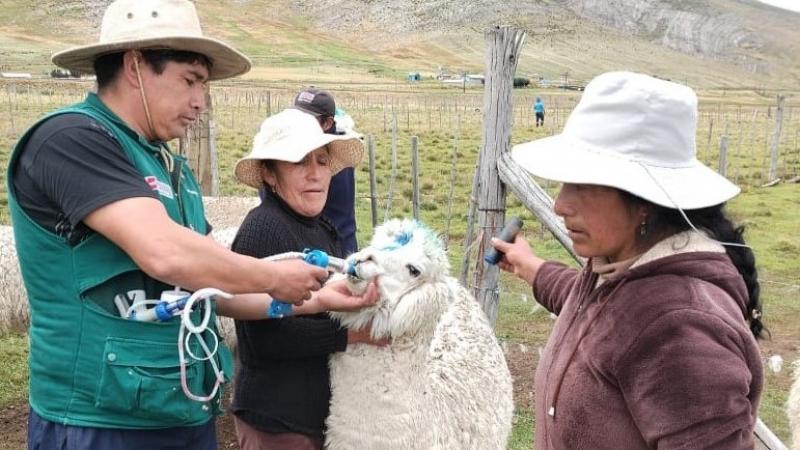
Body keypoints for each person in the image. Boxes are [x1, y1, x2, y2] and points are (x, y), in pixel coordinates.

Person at [7, 1, 374, 449]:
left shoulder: (170, 169)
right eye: (191, 80)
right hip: (99, 420)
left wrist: (310, 301)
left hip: (180, 407)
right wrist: (276, 277)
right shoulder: (71, 140)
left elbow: (209, 290)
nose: (201, 101)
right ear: (136, 65)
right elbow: (165, 253)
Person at [492, 72, 764, 449]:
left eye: (583, 185)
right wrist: (531, 266)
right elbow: (600, 314)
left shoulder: (677, 325)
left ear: (642, 204)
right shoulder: (623, 268)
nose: (560, 204)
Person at [230, 108, 382, 450]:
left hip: (311, 415)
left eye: (322, 161)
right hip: (277, 419)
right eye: (300, 162)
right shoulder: (264, 228)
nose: (315, 174)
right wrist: (353, 335)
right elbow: (263, 342)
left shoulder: (321, 229)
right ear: (270, 174)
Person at [293, 88, 360, 255]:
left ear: (327, 123)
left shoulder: (332, 155)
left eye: (307, 119)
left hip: (333, 248)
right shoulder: (314, 145)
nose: (296, 122)